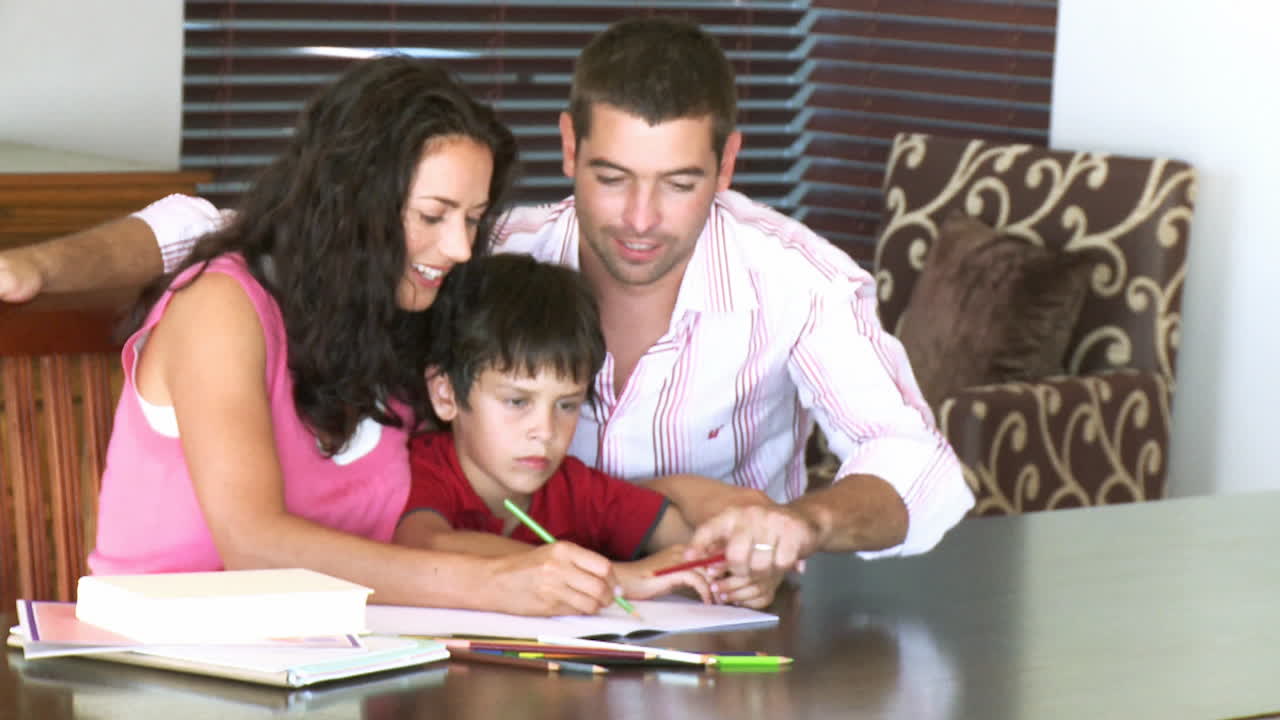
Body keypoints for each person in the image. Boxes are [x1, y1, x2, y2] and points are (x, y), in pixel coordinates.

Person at [0, 18, 974, 585]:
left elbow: (914, 464)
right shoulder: (472, 255)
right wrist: (39, 269)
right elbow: (243, 229)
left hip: (642, 634)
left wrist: (793, 523)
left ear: (726, 163)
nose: (639, 219)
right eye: (608, 176)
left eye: (678, 182)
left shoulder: (794, 281)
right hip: (390, 630)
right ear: (565, 152)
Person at [80, 55, 635, 618]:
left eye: (471, 219)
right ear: (353, 205)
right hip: (165, 662)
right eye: (434, 215)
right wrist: (489, 584)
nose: (461, 249)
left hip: (341, 667)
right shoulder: (220, 307)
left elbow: (466, 498)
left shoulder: (403, 313)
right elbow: (254, 546)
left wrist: (662, 533)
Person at [393, 252, 783, 607]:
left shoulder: (575, 489)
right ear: (445, 394)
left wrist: (741, 568)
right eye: (517, 402)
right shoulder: (423, 468)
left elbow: (687, 542)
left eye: (566, 405)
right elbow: (425, 545)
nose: (545, 431)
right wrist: (615, 578)